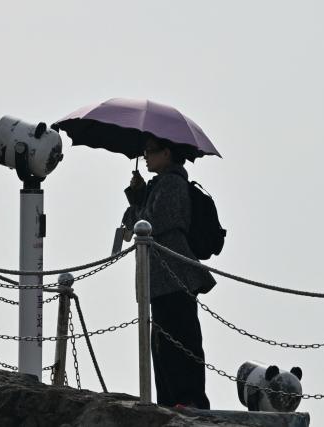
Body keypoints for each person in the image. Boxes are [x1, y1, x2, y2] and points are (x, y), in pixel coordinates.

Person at [122, 133, 215, 409]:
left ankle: (188, 400)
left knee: (180, 340)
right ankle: (171, 400)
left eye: (151, 151)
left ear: (167, 154)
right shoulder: (159, 185)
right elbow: (138, 224)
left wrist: (138, 202)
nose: (146, 156)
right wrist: (138, 196)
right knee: (164, 345)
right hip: (161, 279)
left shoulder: (173, 184)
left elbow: (151, 224)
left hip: (174, 276)